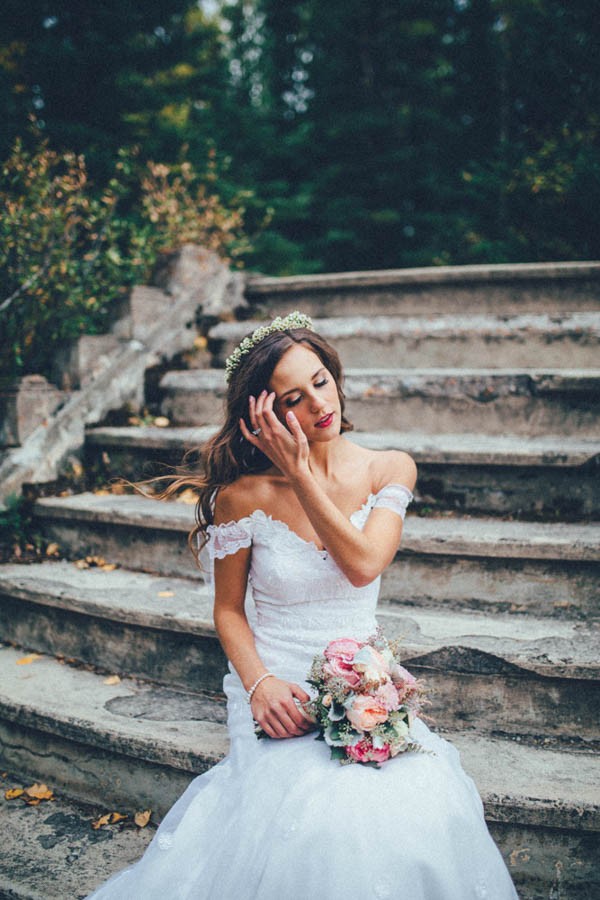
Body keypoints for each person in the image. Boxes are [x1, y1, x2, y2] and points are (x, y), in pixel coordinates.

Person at [87, 311, 519, 899]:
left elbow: (364, 563)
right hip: (276, 686)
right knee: (323, 819)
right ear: (263, 415)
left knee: (405, 809)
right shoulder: (240, 498)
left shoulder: (389, 468)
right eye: (294, 397)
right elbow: (229, 611)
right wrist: (259, 684)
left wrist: (301, 472)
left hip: (363, 685)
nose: (319, 403)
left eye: (321, 380)